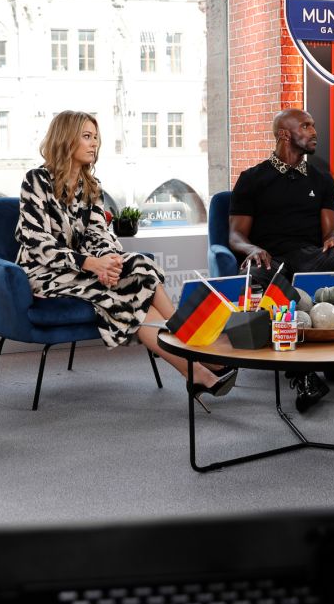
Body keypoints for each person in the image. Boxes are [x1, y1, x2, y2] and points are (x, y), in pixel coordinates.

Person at [15, 110, 237, 404]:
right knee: (130, 298)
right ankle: (193, 358)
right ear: (66, 138)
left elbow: (100, 234)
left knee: (140, 267)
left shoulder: (90, 187)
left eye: (96, 137)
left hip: (86, 269)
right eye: (86, 137)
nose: (94, 144)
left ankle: (190, 353)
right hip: (44, 272)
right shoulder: (36, 181)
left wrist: (110, 261)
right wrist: (91, 264)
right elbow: (35, 240)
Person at [228, 108, 334, 412]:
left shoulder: (321, 179)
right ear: (285, 134)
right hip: (269, 259)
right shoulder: (252, 179)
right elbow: (235, 237)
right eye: (306, 126)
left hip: (309, 256)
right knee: (261, 279)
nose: (314, 131)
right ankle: (303, 375)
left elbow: (331, 227)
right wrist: (252, 250)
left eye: (313, 125)